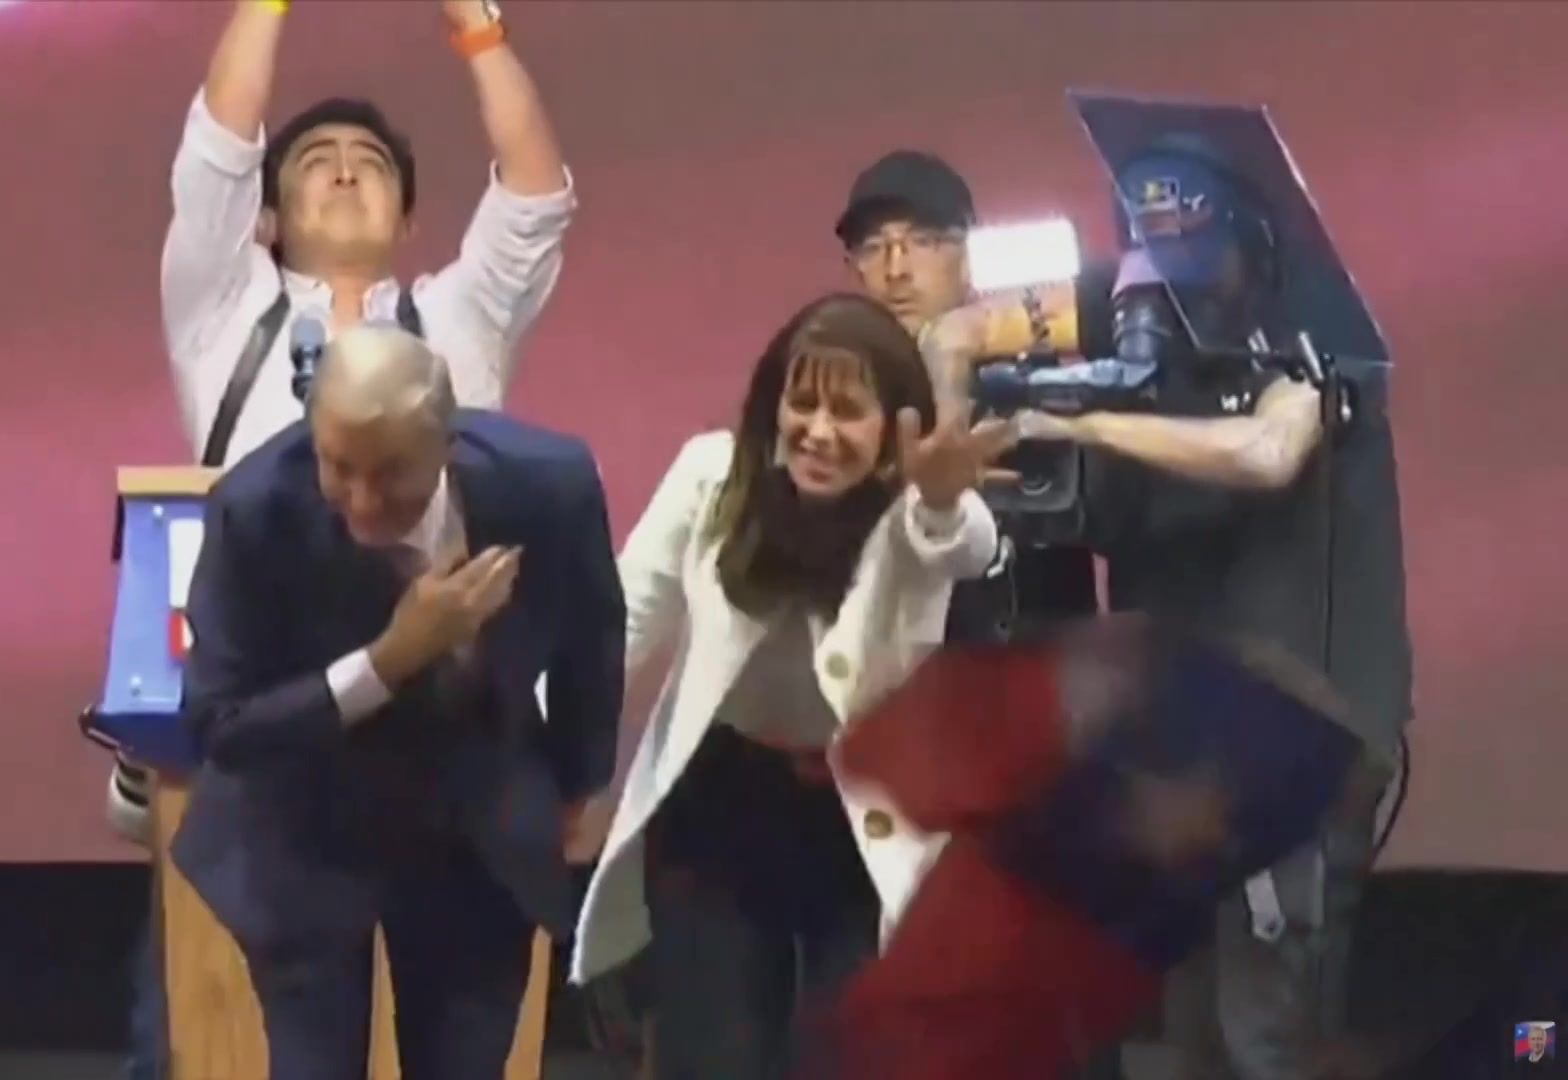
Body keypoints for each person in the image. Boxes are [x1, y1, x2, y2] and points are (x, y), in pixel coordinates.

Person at [114, 2, 576, 1069]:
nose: (342, 169)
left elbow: (536, 195)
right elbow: (217, 150)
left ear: (410, 218)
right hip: (275, 731)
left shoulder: (459, 317)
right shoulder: (222, 308)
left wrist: (478, 30)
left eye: (369, 162)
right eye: (314, 160)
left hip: (447, 742)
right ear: (266, 220)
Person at [1017, 144, 1411, 1079]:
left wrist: (1083, 419)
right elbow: (1065, 511)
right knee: (1179, 1041)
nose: (1169, 277)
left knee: (1263, 1035)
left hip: (1300, 742)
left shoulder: (1316, 350)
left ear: (1252, 250)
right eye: (1148, 249)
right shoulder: (1135, 383)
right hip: (1172, 758)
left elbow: (1265, 455)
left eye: (1192, 247)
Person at [568, 293, 1015, 1078]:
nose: (817, 430)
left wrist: (942, 497)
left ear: (893, 429)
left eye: (847, 412)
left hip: (862, 814)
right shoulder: (712, 477)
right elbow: (623, 625)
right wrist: (557, 758)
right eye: (801, 403)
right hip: (724, 803)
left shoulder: (920, 510)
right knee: (715, 1053)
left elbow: (965, 545)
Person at [168, 325, 623, 1078]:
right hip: (305, 829)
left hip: (472, 834)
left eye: (389, 473)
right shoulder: (254, 509)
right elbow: (223, 725)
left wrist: (581, 782)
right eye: (338, 466)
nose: (362, 498)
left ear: (446, 442)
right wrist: (391, 658)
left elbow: (592, 633)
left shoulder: (548, 485)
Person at [836, 150, 1101, 642]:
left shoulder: (1035, 383)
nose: (896, 268)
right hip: (893, 668)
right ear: (854, 268)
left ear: (970, 254)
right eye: (873, 248)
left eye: (924, 241)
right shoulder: (837, 402)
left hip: (1038, 656)